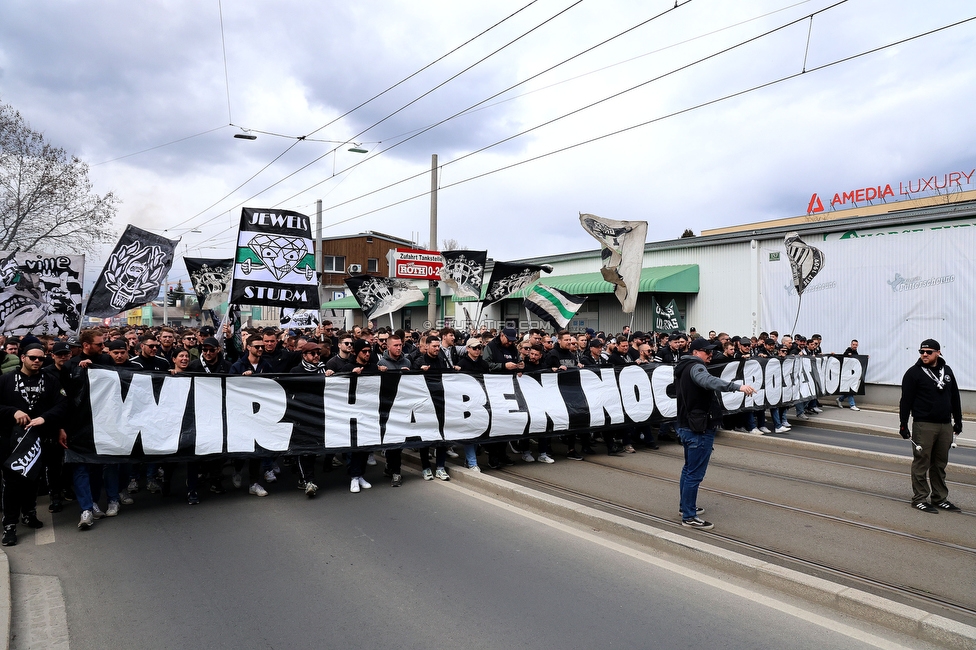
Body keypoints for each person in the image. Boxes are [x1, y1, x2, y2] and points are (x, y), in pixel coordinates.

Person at [673, 338, 755, 530]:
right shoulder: (696, 367)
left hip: (688, 425)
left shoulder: (683, 366)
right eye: (706, 351)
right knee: (694, 474)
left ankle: (685, 507)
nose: (710, 354)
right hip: (698, 429)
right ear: (695, 352)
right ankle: (689, 516)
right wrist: (737, 386)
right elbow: (708, 381)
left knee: (688, 470)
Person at [0, 344, 68, 545]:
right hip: (12, 440)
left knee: (33, 479)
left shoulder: (51, 380)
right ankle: (10, 525)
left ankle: (29, 513)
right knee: (12, 483)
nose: (37, 361)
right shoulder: (5, 380)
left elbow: (63, 404)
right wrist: (12, 411)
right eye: (32, 357)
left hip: (40, 438)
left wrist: (45, 418)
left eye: (40, 358)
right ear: (23, 358)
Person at [899, 339, 963, 514]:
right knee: (922, 462)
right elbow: (906, 401)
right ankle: (919, 498)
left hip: (945, 425)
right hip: (924, 424)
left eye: (928, 352)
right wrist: (903, 424)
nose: (924, 355)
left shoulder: (947, 371)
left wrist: (958, 420)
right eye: (921, 352)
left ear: (938, 353)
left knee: (940, 464)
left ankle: (939, 498)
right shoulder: (913, 373)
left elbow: (954, 397)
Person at [837, 340, 861, 410]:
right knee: (850, 390)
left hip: (852, 374)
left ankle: (840, 399)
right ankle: (852, 405)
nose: (854, 346)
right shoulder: (848, 350)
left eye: (856, 345)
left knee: (849, 390)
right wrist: (848, 355)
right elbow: (844, 357)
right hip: (847, 374)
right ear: (851, 344)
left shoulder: (856, 352)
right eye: (853, 344)